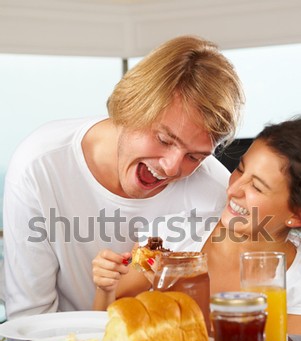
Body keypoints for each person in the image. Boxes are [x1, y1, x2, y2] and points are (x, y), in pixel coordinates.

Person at [3, 35, 244, 319]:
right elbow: (29, 322)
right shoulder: (40, 165)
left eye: (195, 156)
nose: (171, 167)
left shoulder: (213, 190)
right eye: (164, 139)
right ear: (131, 106)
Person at [92, 117, 301, 317]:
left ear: (296, 214)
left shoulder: (296, 280)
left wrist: (178, 294)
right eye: (239, 169)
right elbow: (106, 325)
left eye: (257, 187)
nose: (234, 189)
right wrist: (106, 288)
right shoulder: (169, 238)